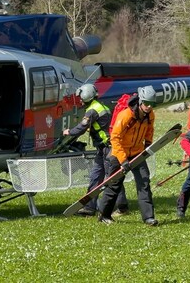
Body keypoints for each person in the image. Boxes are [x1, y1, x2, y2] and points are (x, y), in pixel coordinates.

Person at [97, 85, 158, 226]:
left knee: (144, 183)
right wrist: (123, 160)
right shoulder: (125, 115)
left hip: (137, 153)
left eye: (152, 104)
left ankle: (148, 217)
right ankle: (104, 215)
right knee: (114, 185)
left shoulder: (150, 115)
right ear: (140, 102)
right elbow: (115, 138)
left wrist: (148, 143)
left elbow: (149, 129)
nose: (149, 107)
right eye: (147, 103)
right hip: (119, 154)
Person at [63, 84, 128, 216]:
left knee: (113, 177)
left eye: (80, 97)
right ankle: (89, 207)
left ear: (86, 96)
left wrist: (69, 132)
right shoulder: (101, 106)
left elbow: (81, 128)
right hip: (102, 149)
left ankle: (122, 207)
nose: (80, 100)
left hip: (108, 149)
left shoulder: (92, 110)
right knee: (95, 177)